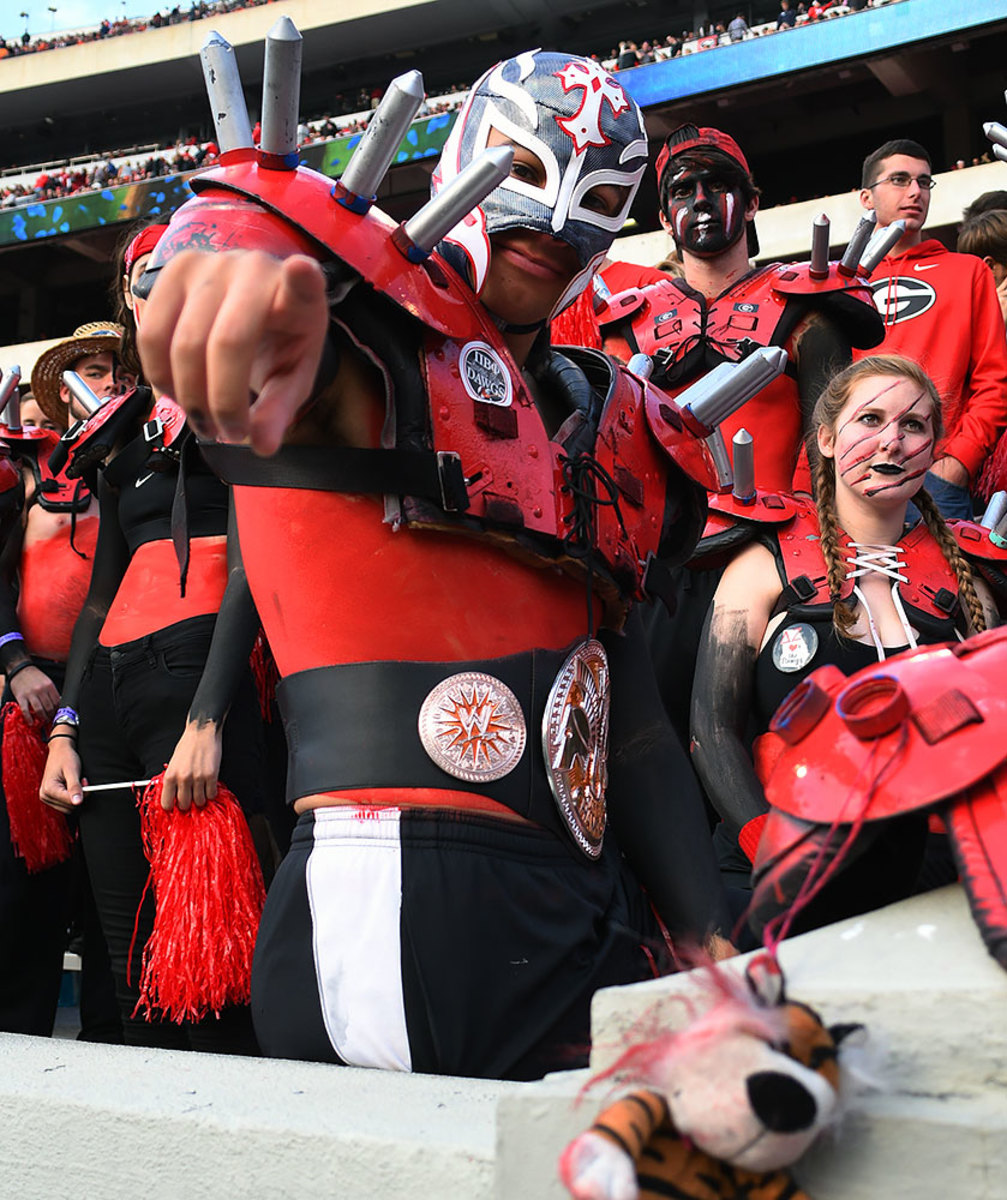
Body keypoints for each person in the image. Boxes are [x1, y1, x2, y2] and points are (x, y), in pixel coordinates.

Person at [135, 45, 732, 1080]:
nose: (555, 222)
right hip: (397, 885)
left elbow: (622, 707)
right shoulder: (361, 330)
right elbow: (283, 324)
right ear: (463, 153)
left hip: (585, 895)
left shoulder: (617, 415)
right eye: (527, 170)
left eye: (597, 193)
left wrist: (701, 923)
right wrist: (238, 261)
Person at [39, 242, 268, 1053]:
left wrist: (208, 717)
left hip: (200, 678)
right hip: (105, 693)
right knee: (125, 940)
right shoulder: (120, 439)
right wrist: (63, 729)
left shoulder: (245, 403)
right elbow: (100, 595)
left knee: (217, 938)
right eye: (149, 280)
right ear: (131, 302)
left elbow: (251, 565)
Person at [691, 354, 998, 929]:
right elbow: (711, 730)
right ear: (827, 439)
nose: (893, 442)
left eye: (913, 425)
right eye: (871, 420)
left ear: (934, 447)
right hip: (777, 871)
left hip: (939, 884)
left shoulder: (968, 581)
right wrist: (770, 846)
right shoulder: (764, 567)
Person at [0, 324, 125, 1038]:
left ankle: (116, 1047)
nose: (102, 383)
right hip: (33, 695)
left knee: (109, 881)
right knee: (25, 890)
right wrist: (15, 664)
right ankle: (15, 1049)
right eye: (88, 373)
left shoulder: (143, 463)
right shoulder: (25, 468)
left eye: (110, 371)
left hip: (114, 689)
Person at [856, 138, 1007, 518]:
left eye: (924, 182)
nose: (915, 192)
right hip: (853, 476)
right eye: (900, 180)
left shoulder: (968, 272)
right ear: (866, 198)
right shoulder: (843, 281)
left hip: (937, 477)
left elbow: (994, 380)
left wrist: (958, 462)